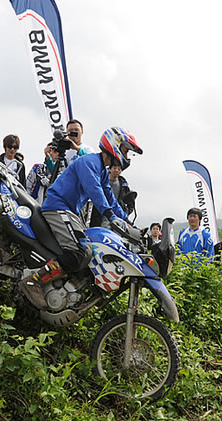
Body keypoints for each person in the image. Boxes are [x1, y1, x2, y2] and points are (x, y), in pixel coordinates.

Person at [21, 127, 142, 309]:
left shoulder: (101, 170)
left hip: (69, 212)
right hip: (57, 207)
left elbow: (110, 198)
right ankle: (33, 282)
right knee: (77, 252)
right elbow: (95, 191)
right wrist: (109, 215)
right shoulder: (89, 162)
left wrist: (127, 222)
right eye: (125, 150)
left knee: (88, 253)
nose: (127, 156)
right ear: (114, 145)